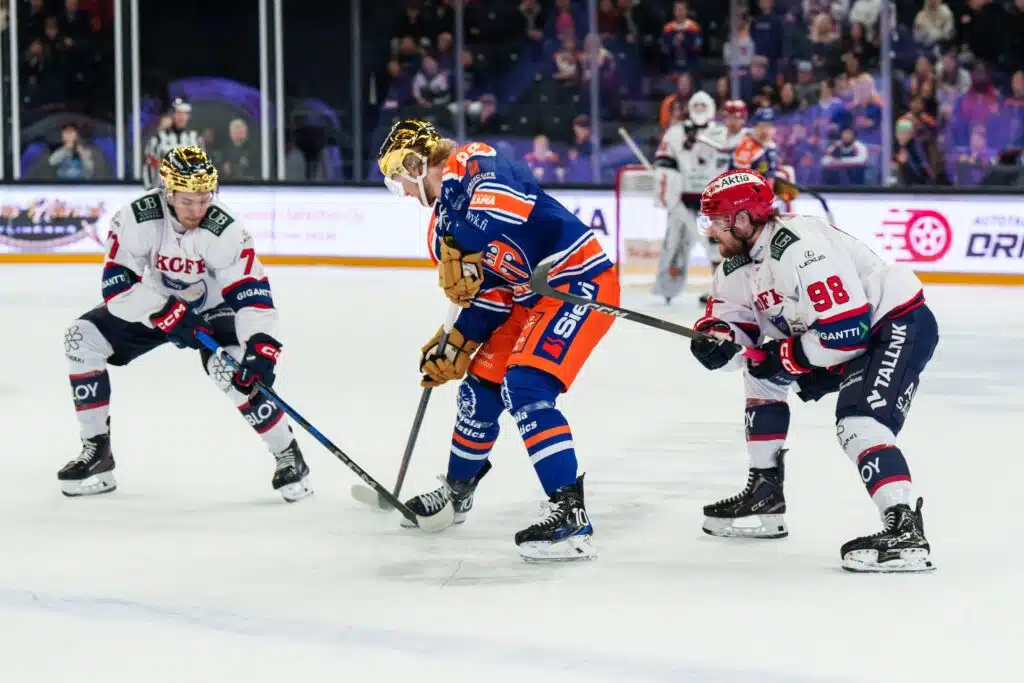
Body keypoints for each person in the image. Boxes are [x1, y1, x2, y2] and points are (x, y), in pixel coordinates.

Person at [376, 120, 620, 561]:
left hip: (574, 281)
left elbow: (508, 204)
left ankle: (571, 515)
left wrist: (464, 244)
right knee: (478, 392)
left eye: (400, 181)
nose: (406, 194)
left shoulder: (472, 161)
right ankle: (457, 492)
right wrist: (458, 339)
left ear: (414, 163)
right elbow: (493, 297)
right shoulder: (440, 230)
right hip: (527, 298)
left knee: (525, 385)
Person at [688, 169, 938, 573]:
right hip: (836, 338)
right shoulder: (734, 266)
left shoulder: (799, 246)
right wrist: (717, 339)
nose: (710, 231)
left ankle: (905, 527)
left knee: (859, 423)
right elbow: (738, 332)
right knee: (761, 374)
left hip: (891, 324)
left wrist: (783, 356)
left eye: (716, 221)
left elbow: (848, 332)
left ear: (744, 219)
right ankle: (766, 490)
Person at [58, 147, 312, 503]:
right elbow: (117, 286)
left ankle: (288, 453)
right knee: (80, 339)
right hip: (156, 304)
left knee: (233, 370)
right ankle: (97, 451)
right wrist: (165, 312)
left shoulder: (226, 229)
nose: (197, 210)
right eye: (188, 200)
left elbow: (252, 296)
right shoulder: (137, 217)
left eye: (204, 199)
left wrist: (261, 348)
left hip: (214, 307)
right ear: (167, 192)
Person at [651, 91, 727, 305]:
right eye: (697, 106)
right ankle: (667, 287)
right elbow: (664, 163)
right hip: (681, 201)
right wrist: (666, 186)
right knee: (674, 243)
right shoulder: (674, 133)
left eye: (705, 106)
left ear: (711, 108)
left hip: (712, 202)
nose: (700, 111)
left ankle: (721, 291)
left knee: (716, 247)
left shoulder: (721, 133)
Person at [142, 98, 204, 190]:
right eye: (178, 113)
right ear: (172, 115)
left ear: (188, 116)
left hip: (189, 194)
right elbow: (149, 165)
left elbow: (202, 167)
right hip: (163, 191)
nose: (181, 117)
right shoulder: (157, 139)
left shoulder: (196, 139)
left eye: (184, 113)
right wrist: (149, 190)